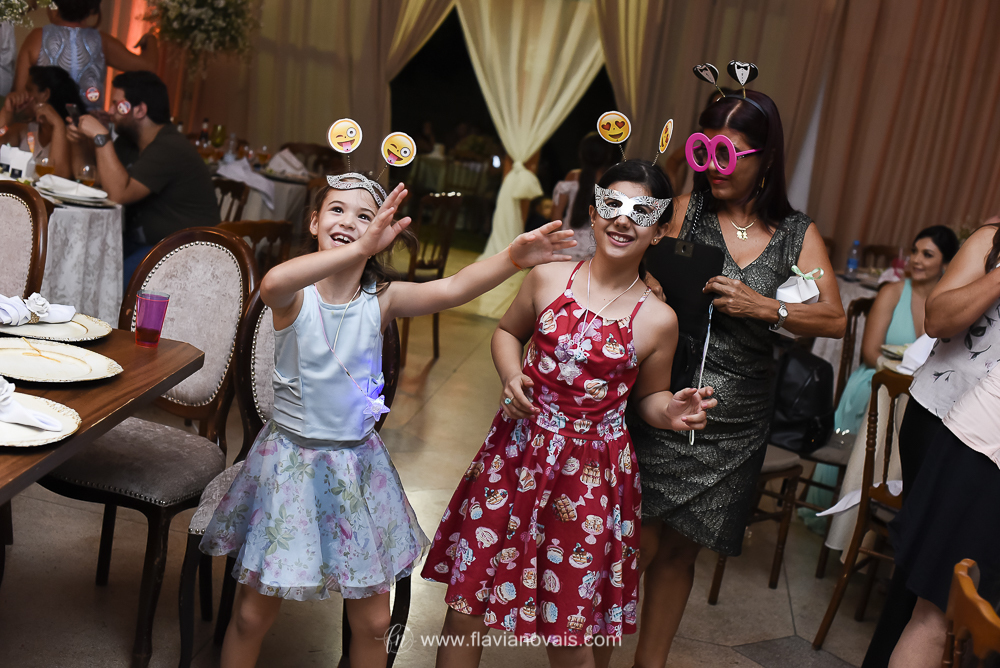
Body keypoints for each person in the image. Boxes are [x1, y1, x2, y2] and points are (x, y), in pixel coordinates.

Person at [198, 174, 576, 668]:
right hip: (290, 468)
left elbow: (454, 288)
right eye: (336, 210)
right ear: (313, 221)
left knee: (375, 622)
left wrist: (512, 258)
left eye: (364, 216)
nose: (348, 222)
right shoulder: (296, 296)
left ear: (382, 233)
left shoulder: (382, 300)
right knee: (252, 616)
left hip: (356, 470)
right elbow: (271, 283)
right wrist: (360, 248)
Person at [422, 160, 717, 668]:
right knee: (468, 602)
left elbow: (648, 397)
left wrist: (669, 411)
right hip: (516, 455)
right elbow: (507, 332)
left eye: (641, 211)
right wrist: (511, 375)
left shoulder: (658, 319)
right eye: (612, 204)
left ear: (660, 230)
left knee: (571, 629)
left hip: (590, 477)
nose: (623, 219)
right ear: (593, 213)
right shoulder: (547, 278)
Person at [626, 89, 846, 666]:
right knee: (634, 545)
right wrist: (646, 283)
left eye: (730, 154)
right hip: (666, 398)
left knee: (683, 553)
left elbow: (834, 318)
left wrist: (765, 306)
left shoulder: (797, 234)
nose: (714, 167)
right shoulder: (683, 211)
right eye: (704, 151)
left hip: (738, 418)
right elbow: (625, 267)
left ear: (765, 158)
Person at [862, 222, 1000, 667]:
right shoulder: (991, 240)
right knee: (924, 572)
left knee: (961, 588)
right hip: (941, 415)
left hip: (989, 439)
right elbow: (937, 321)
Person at [799, 225, 959, 533]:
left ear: (948, 263)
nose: (916, 260)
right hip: (876, 380)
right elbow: (870, 352)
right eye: (914, 251)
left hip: (918, 388)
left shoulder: (948, 304)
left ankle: (889, 510)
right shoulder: (892, 292)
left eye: (927, 254)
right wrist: (900, 371)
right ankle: (856, 513)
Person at [66, 71, 220, 290]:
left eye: (117, 104)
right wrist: (79, 142)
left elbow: (118, 193)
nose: (110, 111)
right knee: (81, 262)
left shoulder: (169, 147)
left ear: (140, 110)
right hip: (143, 244)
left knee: (107, 284)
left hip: (183, 254)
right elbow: (92, 178)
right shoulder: (130, 142)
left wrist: (101, 137)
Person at [13, 0, 158, 110]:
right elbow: (149, 66)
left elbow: (19, 98)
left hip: (45, 131)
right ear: (92, 8)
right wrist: (151, 39)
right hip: (89, 133)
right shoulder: (102, 41)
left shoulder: (36, 38)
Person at [0, 65, 89, 179]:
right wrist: (6, 112)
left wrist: (58, 125)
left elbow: (58, 177)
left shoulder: (74, 135)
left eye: (29, 90)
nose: (23, 94)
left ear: (45, 94)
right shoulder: (22, 130)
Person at [549, 132, 618, 261]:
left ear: (582, 154)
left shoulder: (573, 176)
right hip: (596, 248)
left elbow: (556, 217)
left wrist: (556, 244)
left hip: (567, 245)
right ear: (608, 155)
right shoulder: (612, 182)